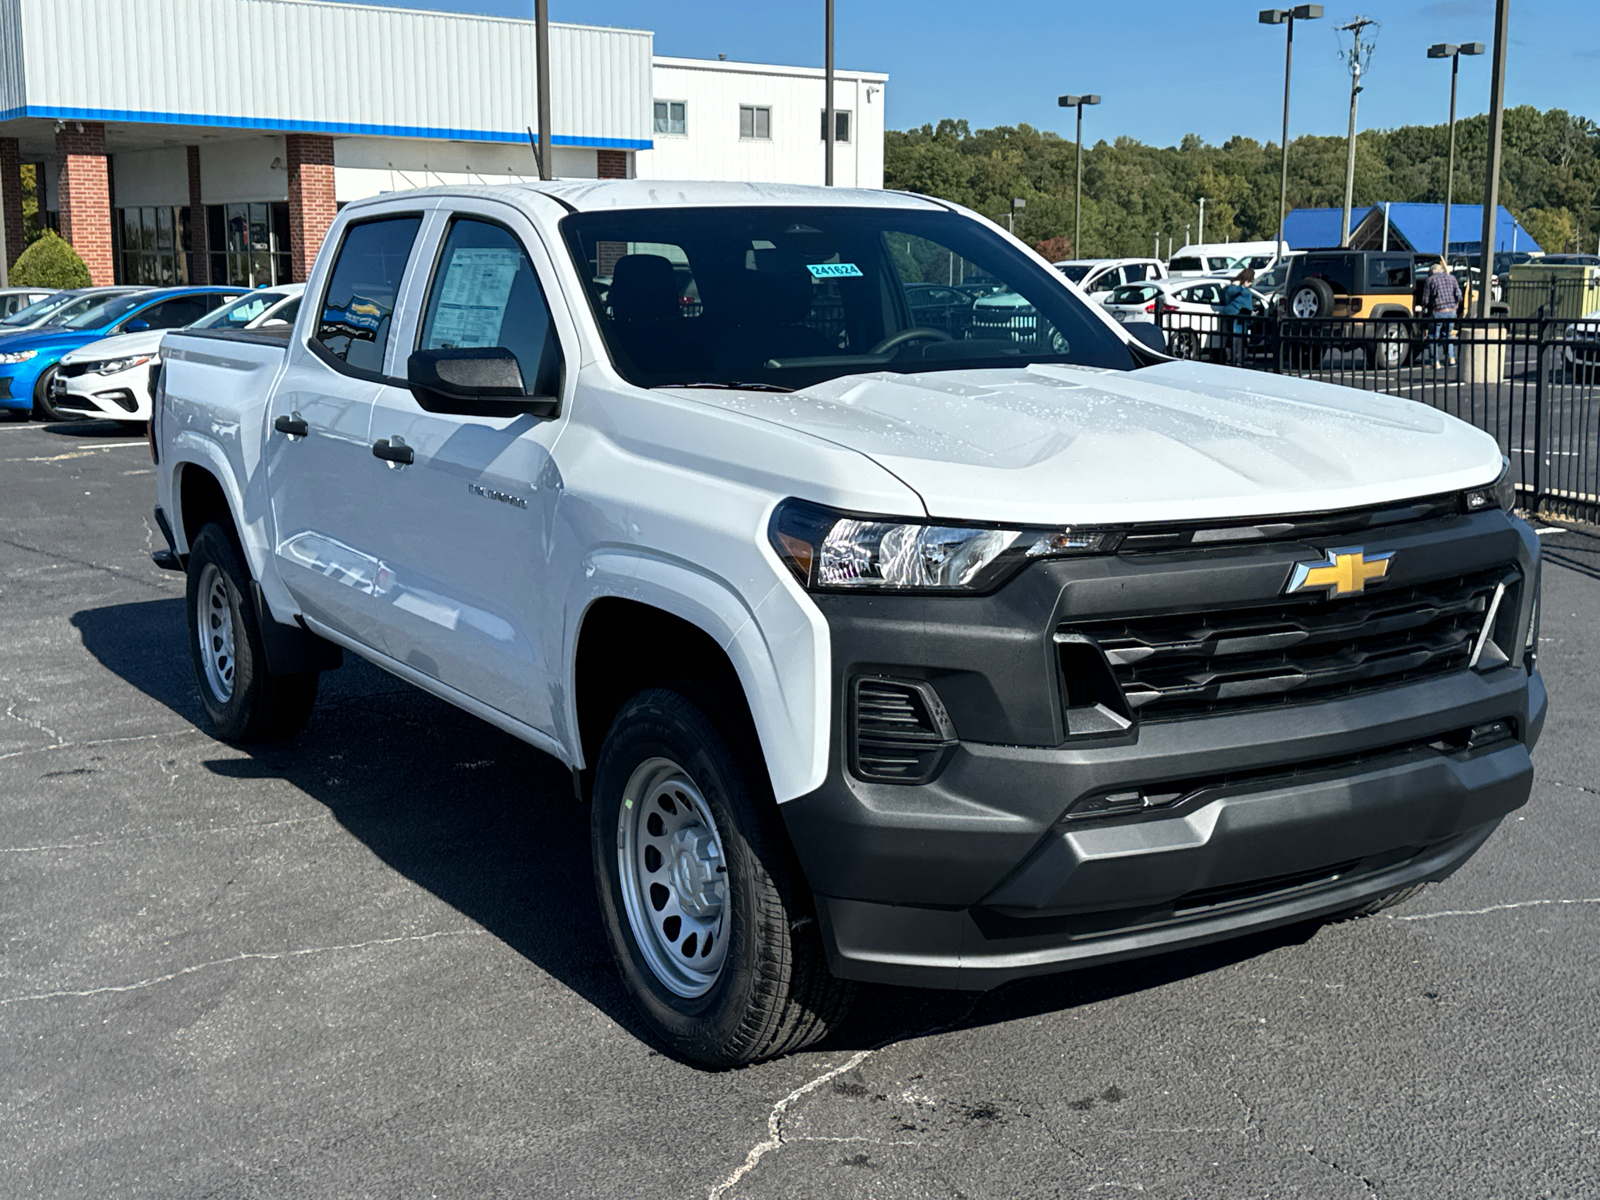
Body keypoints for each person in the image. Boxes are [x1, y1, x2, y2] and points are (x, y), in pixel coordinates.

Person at [1422, 260, 1463, 368]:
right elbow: (1459, 295)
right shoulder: (1452, 278)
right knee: (1448, 335)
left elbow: (1425, 300)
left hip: (1438, 311)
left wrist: (1425, 307)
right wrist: (1456, 306)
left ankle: (1435, 361)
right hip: (1452, 311)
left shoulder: (1430, 280)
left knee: (1433, 336)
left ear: (1432, 272)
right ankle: (1451, 359)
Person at [1218, 268, 1256, 365]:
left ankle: (1235, 358)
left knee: (1237, 337)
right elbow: (1229, 292)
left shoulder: (1239, 286)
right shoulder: (1237, 286)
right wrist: (1242, 286)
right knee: (1237, 337)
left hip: (1241, 314)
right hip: (1237, 314)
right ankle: (1235, 359)